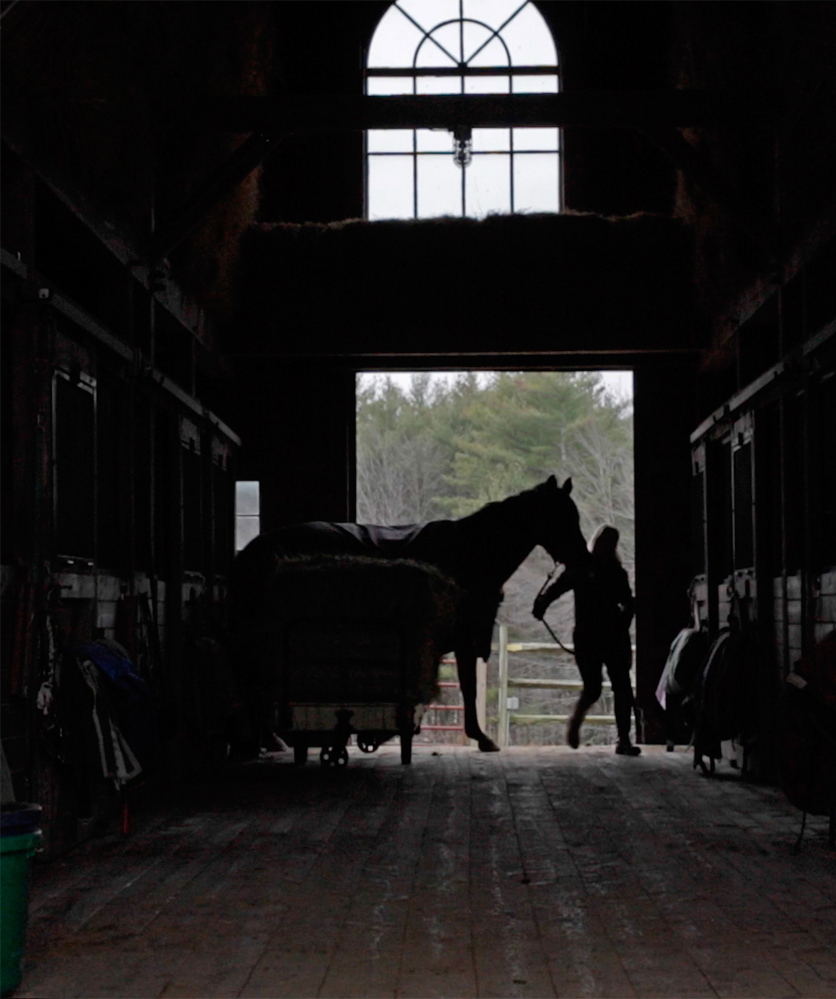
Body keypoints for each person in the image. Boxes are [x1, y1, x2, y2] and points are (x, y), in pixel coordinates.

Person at [532, 524, 640, 756]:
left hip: (597, 636)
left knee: (615, 688)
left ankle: (622, 739)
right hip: (600, 636)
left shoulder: (595, 570)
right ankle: (610, 734)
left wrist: (542, 603)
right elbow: (558, 588)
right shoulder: (596, 569)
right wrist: (542, 603)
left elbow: (628, 603)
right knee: (601, 688)